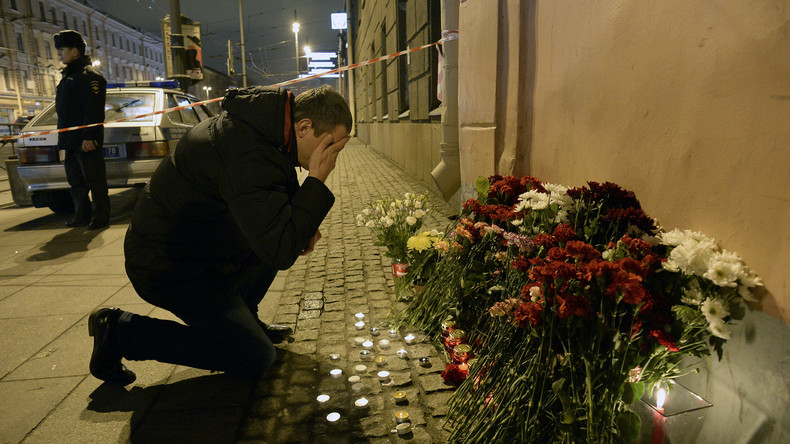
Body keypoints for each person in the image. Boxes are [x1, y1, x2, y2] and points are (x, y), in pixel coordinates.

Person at [88, 85, 352, 385]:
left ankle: (245, 319)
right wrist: (316, 180)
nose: (331, 158)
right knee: (256, 357)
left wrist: (302, 225)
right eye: (331, 148)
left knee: (278, 234)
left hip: (208, 248)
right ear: (305, 127)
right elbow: (280, 248)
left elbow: (283, 222)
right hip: (170, 267)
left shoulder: (270, 134)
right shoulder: (246, 150)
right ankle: (121, 333)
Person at [53, 30, 110, 230]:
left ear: (74, 51)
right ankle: (82, 215)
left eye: (62, 50)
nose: (59, 54)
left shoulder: (89, 75)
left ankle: (101, 217)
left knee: (94, 179)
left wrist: (89, 137)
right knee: (76, 181)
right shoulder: (70, 74)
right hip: (70, 139)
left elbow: (93, 110)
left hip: (84, 139)